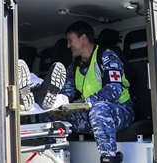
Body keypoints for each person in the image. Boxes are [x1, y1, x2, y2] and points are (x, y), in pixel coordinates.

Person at [37, 21, 135, 163]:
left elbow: (114, 91)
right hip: (91, 114)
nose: (68, 45)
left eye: (70, 41)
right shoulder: (75, 66)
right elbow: (66, 95)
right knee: (50, 114)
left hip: (120, 111)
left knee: (98, 109)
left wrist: (85, 102)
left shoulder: (107, 57)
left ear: (83, 38)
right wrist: (54, 104)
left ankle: (110, 158)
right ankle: (54, 156)